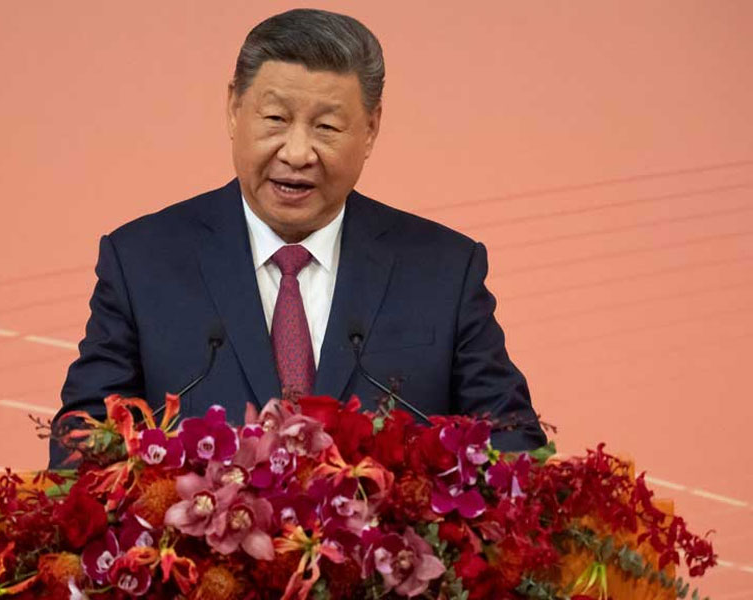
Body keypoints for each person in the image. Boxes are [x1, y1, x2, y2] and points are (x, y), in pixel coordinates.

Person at [49, 8, 546, 468]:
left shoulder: (444, 270)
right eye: (276, 120)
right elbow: (82, 444)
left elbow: (515, 444)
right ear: (233, 109)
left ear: (370, 130)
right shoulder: (142, 262)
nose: (298, 152)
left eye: (327, 126)